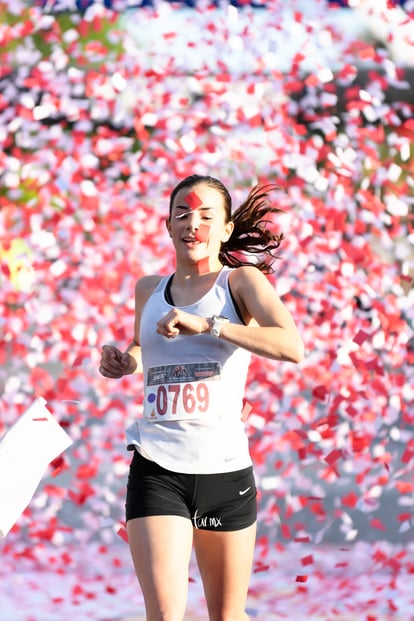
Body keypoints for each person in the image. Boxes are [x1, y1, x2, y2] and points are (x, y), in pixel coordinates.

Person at [99, 174, 304, 621]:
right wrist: (125, 361)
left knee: (227, 617)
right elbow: (144, 348)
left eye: (207, 216)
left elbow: (292, 346)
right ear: (168, 225)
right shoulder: (148, 290)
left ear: (226, 229)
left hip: (225, 475)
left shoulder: (241, 283)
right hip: (157, 467)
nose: (194, 223)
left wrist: (209, 325)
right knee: (165, 616)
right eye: (183, 213)